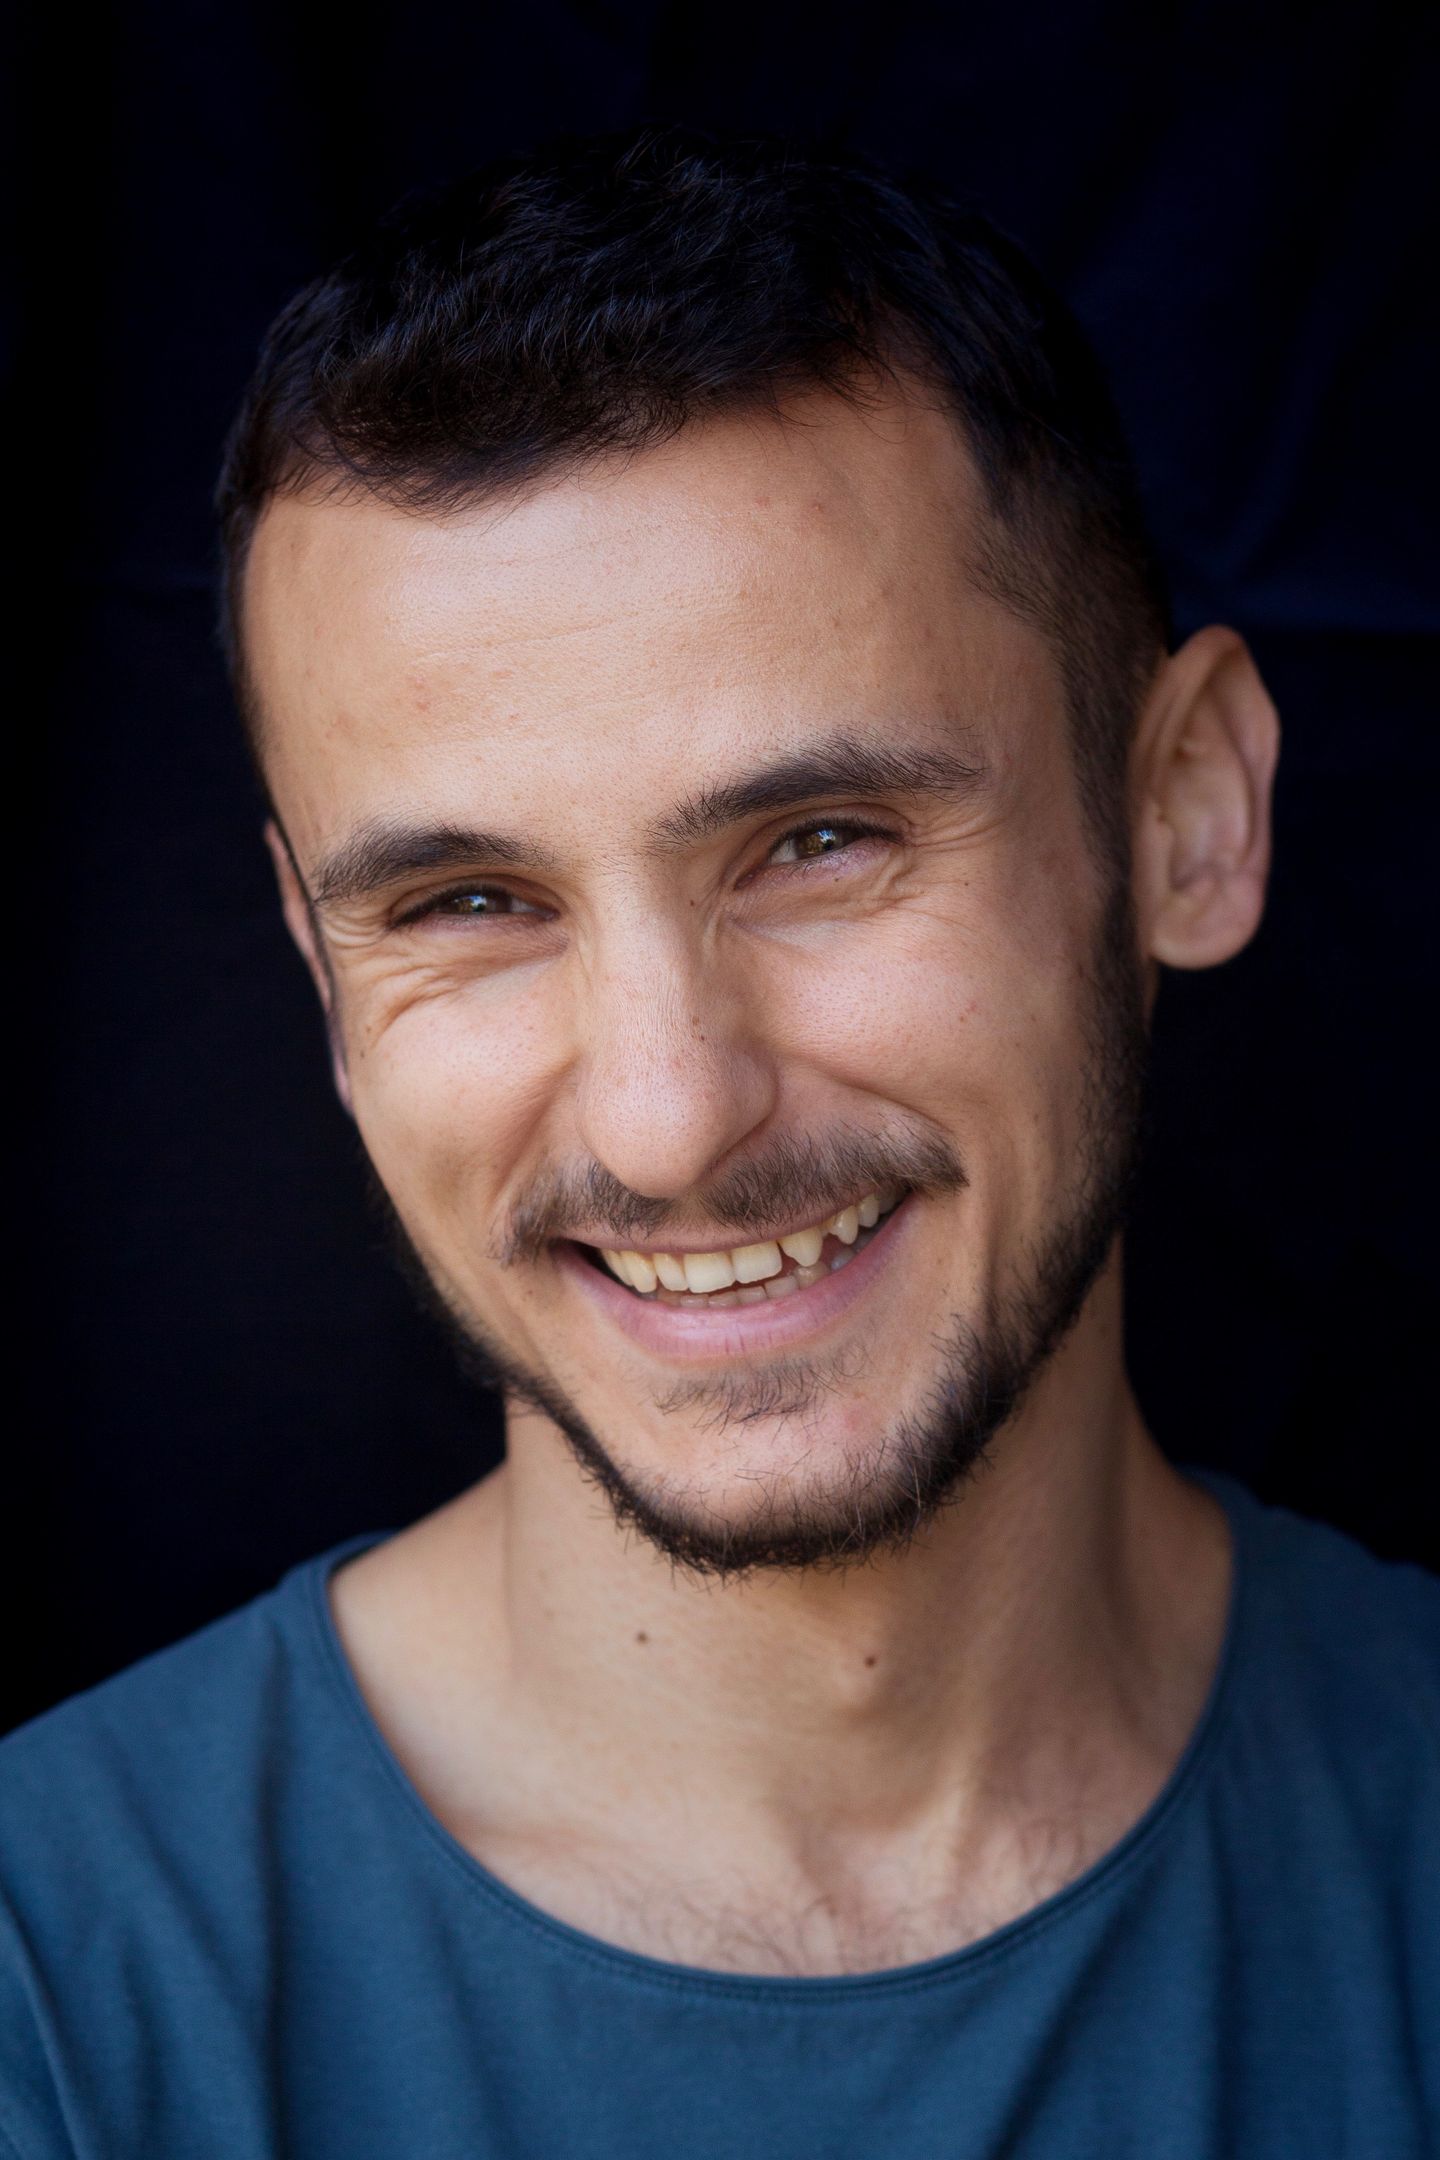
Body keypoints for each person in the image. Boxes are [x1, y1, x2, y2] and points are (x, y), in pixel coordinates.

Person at [2, 125, 1435, 2159]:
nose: (671, 1120)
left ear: (1185, 814)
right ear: (322, 971)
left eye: (820, 843)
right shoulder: (53, 1992)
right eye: (467, 904)